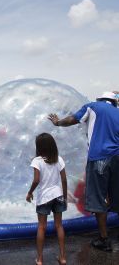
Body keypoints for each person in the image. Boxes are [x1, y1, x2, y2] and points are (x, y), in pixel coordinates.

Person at [48, 91, 119, 252]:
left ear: (100, 99)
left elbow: (73, 119)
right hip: (117, 158)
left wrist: (58, 123)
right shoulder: (118, 111)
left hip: (99, 157)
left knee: (98, 198)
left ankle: (104, 239)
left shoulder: (92, 107)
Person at [26, 133, 67, 265]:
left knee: (42, 227)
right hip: (58, 195)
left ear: (39, 147)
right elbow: (64, 180)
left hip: (45, 197)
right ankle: (62, 257)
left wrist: (30, 192)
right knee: (59, 226)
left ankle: (40, 259)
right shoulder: (59, 159)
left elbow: (36, 180)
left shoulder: (37, 161)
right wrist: (64, 197)